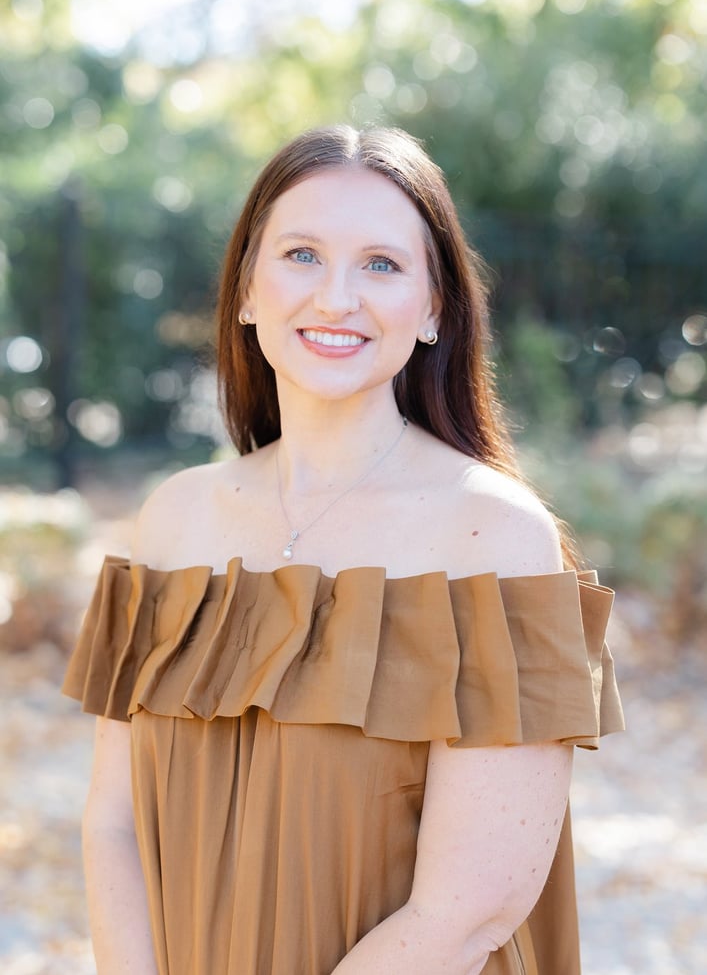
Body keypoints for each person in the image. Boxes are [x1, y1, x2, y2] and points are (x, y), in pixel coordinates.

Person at [63, 124, 623, 975]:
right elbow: (113, 822)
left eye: (381, 264)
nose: (335, 297)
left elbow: (466, 912)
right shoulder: (171, 522)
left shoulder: (495, 536)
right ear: (246, 289)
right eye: (300, 255)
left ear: (434, 308)